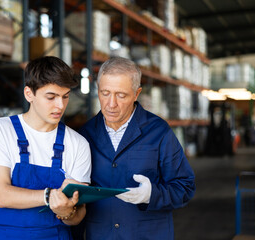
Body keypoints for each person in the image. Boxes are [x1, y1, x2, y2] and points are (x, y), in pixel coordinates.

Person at [79, 57, 195, 240]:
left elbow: (185, 186)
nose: (111, 104)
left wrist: (152, 194)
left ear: (136, 93)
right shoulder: (85, 134)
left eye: (121, 95)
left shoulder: (158, 132)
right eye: (105, 93)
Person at [0, 56, 91, 240]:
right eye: (51, 97)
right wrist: (49, 196)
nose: (60, 106)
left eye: (65, 96)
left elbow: (78, 216)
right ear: (29, 93)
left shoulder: (78, 144)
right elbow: (2, 195)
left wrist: (67, 212)